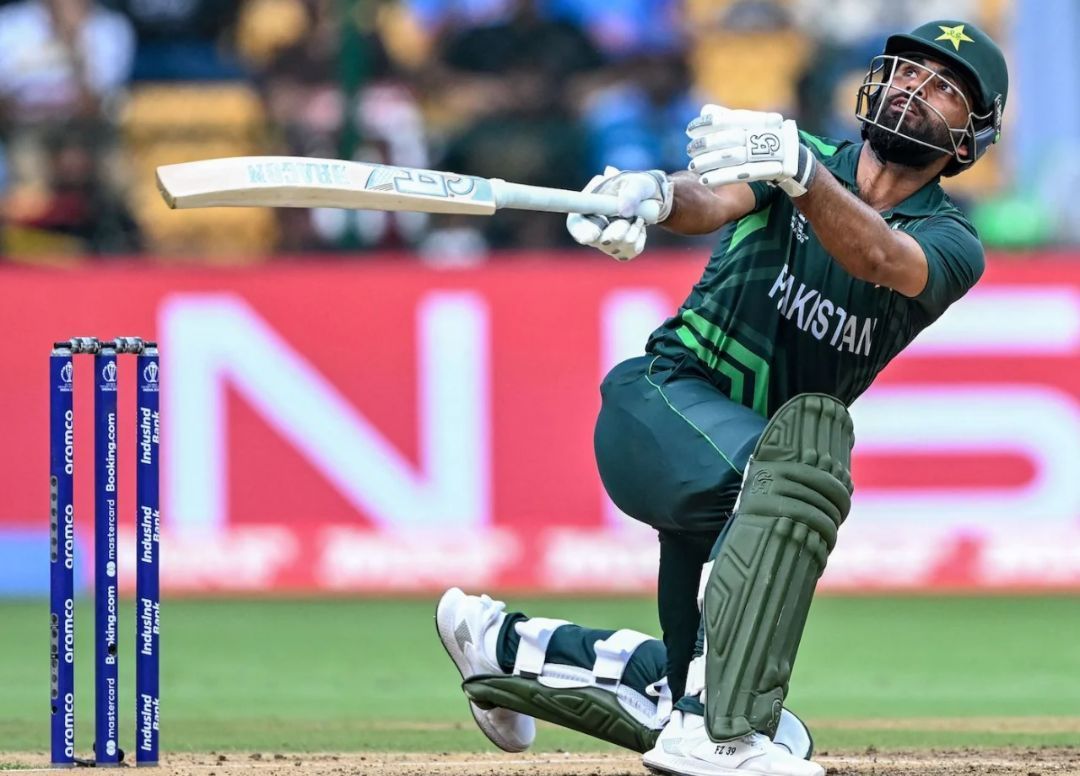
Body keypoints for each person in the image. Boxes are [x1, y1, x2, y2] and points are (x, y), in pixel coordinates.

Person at [435, 19, 1007, 776]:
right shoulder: (787, 163)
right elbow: (708, 197)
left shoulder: (949, 241)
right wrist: (648, 194)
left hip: (742, 489)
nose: (914, 89)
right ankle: (714, 736)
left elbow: (877, 254)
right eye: (906, 70)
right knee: (798, 474)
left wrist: (804, 174)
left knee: (721, 701)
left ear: (968, 141)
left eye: (942, 89)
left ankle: (505, 643)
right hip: (665, 405)